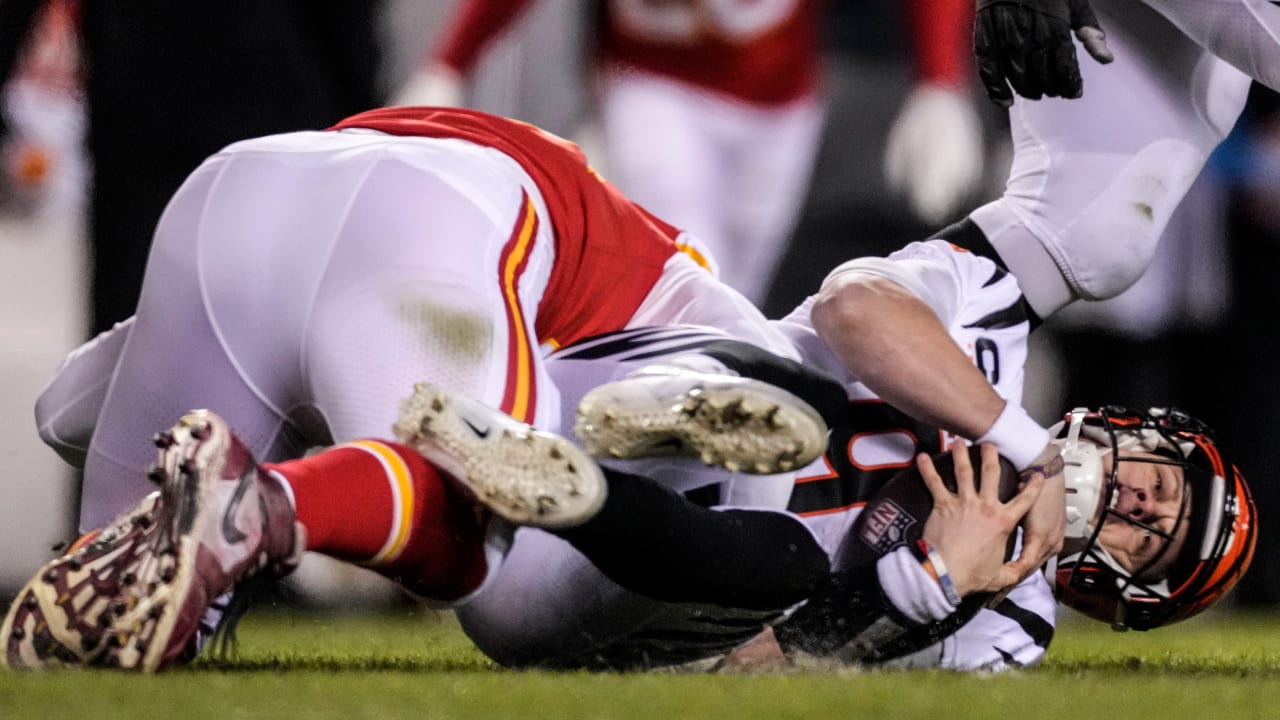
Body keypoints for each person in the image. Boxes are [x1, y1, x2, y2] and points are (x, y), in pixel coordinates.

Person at [393, 0, 985, 303]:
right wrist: (451, 62)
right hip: (654, 83)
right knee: (694, 268)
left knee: (741, 286)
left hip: (780, 101)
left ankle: (716, 458)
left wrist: (939, 79)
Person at [0, 0, 385, 336]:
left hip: (150, 106)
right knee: (263, 333)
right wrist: (364, 126)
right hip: (266, 118)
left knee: (137, 325)